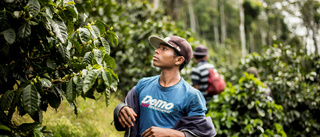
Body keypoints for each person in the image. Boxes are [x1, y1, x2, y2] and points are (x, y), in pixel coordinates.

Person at [113, 35, 216, 137]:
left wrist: (170, 133)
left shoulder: (192, 96)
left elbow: (201, 133)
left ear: (179, 60)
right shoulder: (143, 84)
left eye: (164, 49)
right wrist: (121, 109)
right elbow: (124, 108)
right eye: (158, 48)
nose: (157, 51)